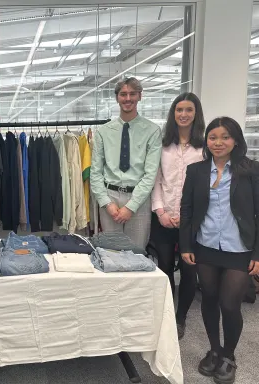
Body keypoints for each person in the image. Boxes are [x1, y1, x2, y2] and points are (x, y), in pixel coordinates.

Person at [180, 116, 259, 384]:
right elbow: (187, 210)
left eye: (225, 137)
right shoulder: (197, 171)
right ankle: (214, 349)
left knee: (230, 304)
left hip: (239, 249)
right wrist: (187, 245)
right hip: (206, 246)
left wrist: (258, 254)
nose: (218, 142)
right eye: (213, 137)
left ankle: (229, 355)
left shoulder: (251, 170)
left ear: (235, 140)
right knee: (210, 299)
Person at [150, 92, 204, 340]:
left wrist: (188, 217)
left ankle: (180, 317)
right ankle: (167, 313)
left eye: (189, 110)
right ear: (173, 114)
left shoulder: (204, 148)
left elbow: (205, 187)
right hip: (163, 216)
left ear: (196, 114)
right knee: (164, 267)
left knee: (189, 269)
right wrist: (160, 211)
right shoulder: (162, 145)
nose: (183, 114)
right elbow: (156, 180)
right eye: (179, 110)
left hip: (191, 221)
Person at [90, 77, 162, 249]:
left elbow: (150, 174)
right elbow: (96, 172)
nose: (127, 98)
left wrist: (131, 207)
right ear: (117, 98)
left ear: (140, 96)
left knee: (136, 253)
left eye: (132, 94)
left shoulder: (152, 131)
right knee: (111, 254)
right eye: (123, 94)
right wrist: (106, 202)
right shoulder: (103, 132)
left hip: (139, 199)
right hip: (110, 199)